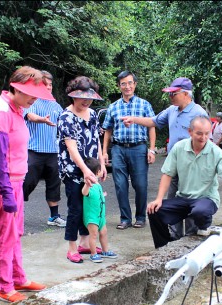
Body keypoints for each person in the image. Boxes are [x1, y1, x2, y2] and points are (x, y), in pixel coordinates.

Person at [0, 66, 52, 303]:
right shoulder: (1, 112)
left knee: (16, 233)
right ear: (16, 88)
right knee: (5, 234)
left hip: (16, 180)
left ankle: (18, 278)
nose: (34, 98)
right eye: (30, 93)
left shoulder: (17, 108)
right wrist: (6, 192)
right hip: (3, 181)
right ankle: (5, 286)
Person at [121, 77, 208, 238]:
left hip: (192, 165)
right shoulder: (171, 111)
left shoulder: (198, 113)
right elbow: (153, 121)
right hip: (174, 165)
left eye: (173, 93)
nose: (170, 97)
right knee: (173, 200)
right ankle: (175, 236)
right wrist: (133, 120)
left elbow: (206, 142)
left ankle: (191, 236)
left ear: (185, 94)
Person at [147, 115, 222, 249]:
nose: (203, 138)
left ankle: (204, 226)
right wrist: (158, 199)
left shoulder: (216, 152)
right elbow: (167, 174)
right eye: (199, 133)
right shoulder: (179, 148)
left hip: (206, 199)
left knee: (200, 211)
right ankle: (163, 246)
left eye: (206, 134)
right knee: (154, 210)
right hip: (183, 198)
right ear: (190, 132)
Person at [57, 76, 107, 264]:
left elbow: (96, 140)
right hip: (72, 169)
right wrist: (85, 171)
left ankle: (85, 242)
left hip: (91, 167)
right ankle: (72, 247)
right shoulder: (65, 116)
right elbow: (71, 147)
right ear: (73, 96)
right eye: (81, 97)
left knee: (90, 206)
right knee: (76, 208)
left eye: (89, 97)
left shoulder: (93, 114)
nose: (85, 101)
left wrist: (101, 165)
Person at [102, 70, 156, 230]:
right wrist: (105, 152)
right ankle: (125, 218)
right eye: (123, 84)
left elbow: (152, 126)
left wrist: (152, 150)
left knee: (140, 184)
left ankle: (140, 217)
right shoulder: (113, 107)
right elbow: (107, 130)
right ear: (119, 86)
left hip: (139, 148)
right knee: (120, 185)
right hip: (118, 149)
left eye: (130, 83)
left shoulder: (144, 104)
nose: (127, 86)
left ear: (135, 84)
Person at [23, 70, 66, 227]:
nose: (48, 88)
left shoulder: (56, 105)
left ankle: (54, 217)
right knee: (27, 182)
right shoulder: (31, 101)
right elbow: (29, 116)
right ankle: (15, 211)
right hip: (34, 150)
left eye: (50, 85)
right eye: (44, 84)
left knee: (54, 184)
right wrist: (41, 119)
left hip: (53, 152)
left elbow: (64, 123)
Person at [82, 157, 118, 263]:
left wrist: (102, 195)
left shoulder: (97, 185)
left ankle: (105, 251)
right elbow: (84, 193)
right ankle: (93, 254)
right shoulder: (89, 185)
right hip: (92, 217)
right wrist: (87, 184)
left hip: (101, 215)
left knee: (104, 233)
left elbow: (96, 195)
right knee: (93, 235)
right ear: (98, 171)